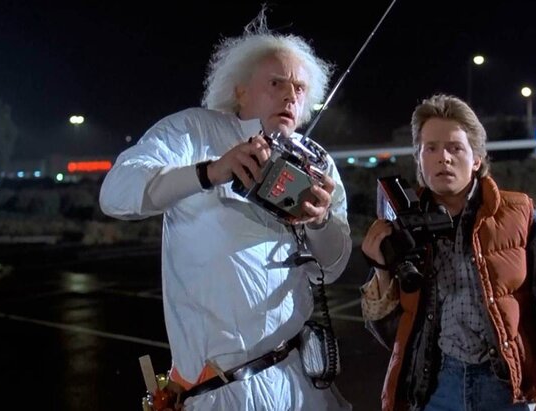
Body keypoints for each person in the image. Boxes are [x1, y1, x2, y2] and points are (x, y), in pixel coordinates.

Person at [99, 9, 352, 411]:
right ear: (241, 91)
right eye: (276, 83)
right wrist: (210, 172)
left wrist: (320, 221)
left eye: (300, 88)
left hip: (300, 380)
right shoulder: (193, 131)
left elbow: (333, 267)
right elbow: (115, 193)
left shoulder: (317, 164)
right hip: (220, 390)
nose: (290, 96)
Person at [360, 94, 536, 411]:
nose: (443, 158)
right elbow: (395, 337)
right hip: (435, 389)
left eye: (455, 148)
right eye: (431, 148)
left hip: (505, 388)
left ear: (476, 158)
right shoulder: (401, 226)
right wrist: (382, 271)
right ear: (419, 159)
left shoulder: (520, 215)